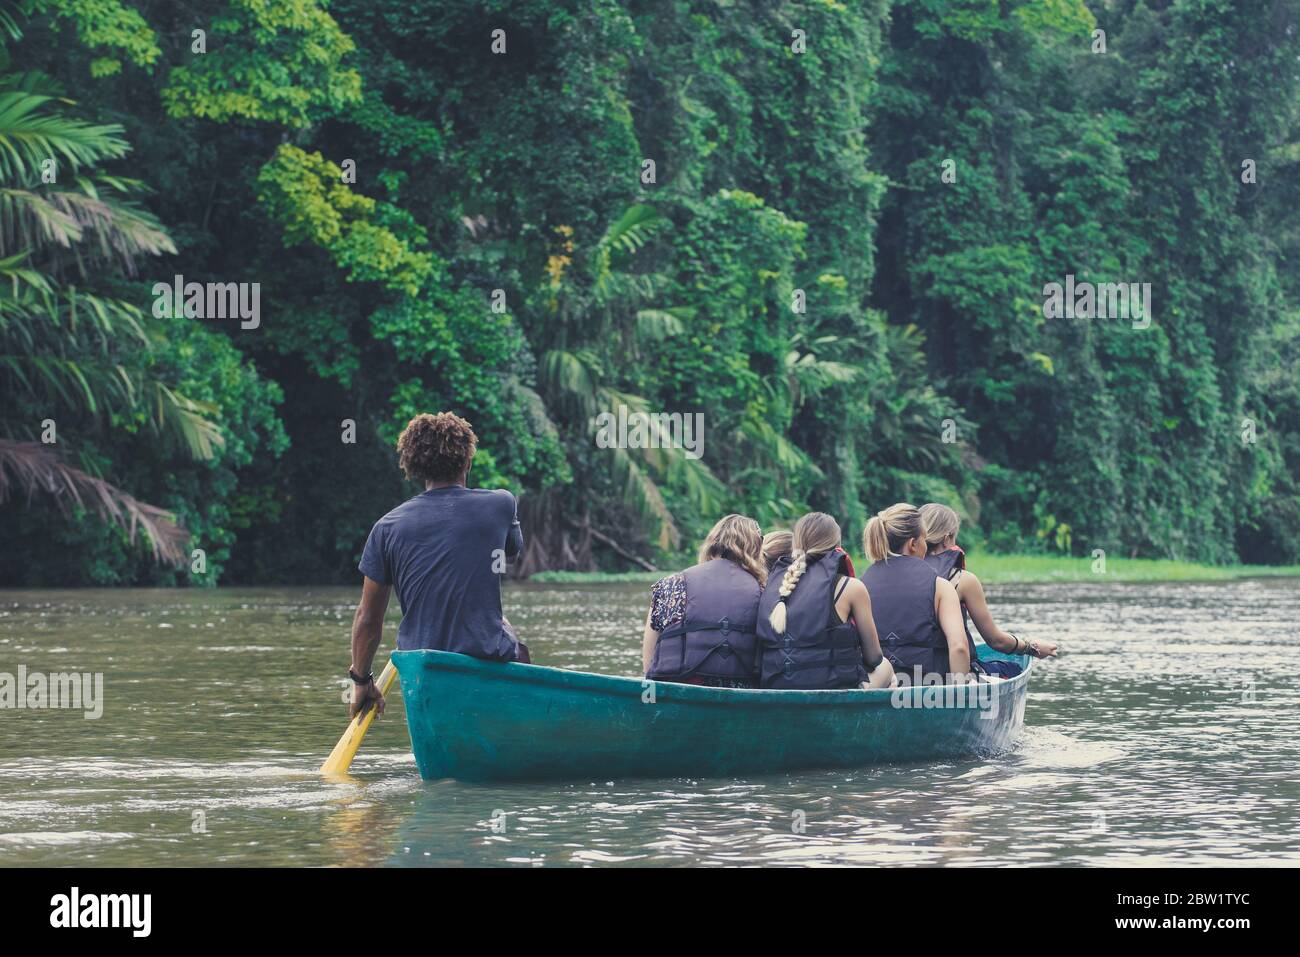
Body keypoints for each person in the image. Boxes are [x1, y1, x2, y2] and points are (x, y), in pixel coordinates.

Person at [346, 412, 527, 719]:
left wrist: (361, 679)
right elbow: (512, 549)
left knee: (502, 624)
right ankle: (521, 721)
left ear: (414, 467)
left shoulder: (385, 528)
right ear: (467, 461)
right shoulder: (500, 504)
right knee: (513, 639)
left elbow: (368, 618)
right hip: (485, 657)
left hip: (422, 667)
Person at [757, 512, 896, 690]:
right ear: (836, 545)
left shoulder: (774, 586)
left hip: (777, 689)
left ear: (796, 544)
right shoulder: (851, 587)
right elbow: (874, 657)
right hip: (833, 693)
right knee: (886, 667)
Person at [918, 503, 1057, 675]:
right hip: (950, 675)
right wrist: (1032, 647)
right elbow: (996, 641)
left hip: (906, 671)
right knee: (1012, 669)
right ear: (947, 538)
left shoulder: (903, 576)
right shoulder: (963, 580)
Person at [642, 514, 767, 688]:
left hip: (674, 688)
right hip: (740, 692)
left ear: (711, 544)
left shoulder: (672, 583)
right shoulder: (763, 592)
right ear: (755, 549)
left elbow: (647, 663)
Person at [860, 503, 973, 685]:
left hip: (879, 684)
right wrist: (960, 693)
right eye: (924, 540)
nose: (925, 547)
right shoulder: (940, 586)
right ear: (913, 544)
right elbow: (959, 647)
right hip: (928, 687)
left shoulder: (859, 586)